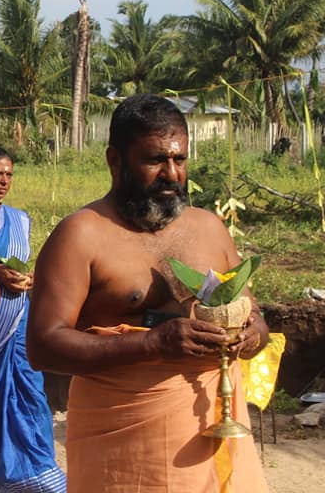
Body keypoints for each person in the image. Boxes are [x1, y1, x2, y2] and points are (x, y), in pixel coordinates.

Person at [27, 94, 270, 492]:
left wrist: (248, 335)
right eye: (155, 160)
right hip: (123, 451)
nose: (171, 174)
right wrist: (151, 345)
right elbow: (42, 346)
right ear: (115, 160)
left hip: (212, 430)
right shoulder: (80, 235)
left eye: (180, 159)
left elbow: (255, 318)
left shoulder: (210, 229)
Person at [0, 147, 66, 493]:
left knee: (28, 393)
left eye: (9, 175)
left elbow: (22, 261)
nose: (5, 181)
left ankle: (35, 472)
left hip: (16, 320)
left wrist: (28, 278)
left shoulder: (19, 219)